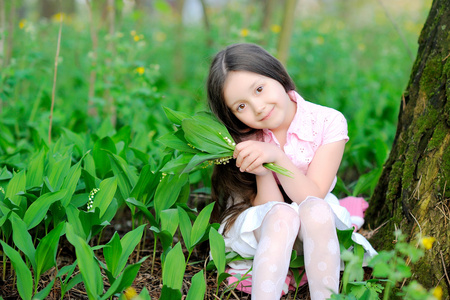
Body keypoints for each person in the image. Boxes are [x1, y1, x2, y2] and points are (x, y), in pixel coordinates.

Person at [206, 43, 376, 300]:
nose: (258, 107)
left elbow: (313, 196)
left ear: (277, 74)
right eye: (241, 106)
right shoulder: (244, 138)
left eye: (260, 89)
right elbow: (270, 209)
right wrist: (262, 172)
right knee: (282, 215)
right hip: (265, 227)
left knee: (317, 210)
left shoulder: (327, 122)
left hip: (315, 219)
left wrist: (277, 157)